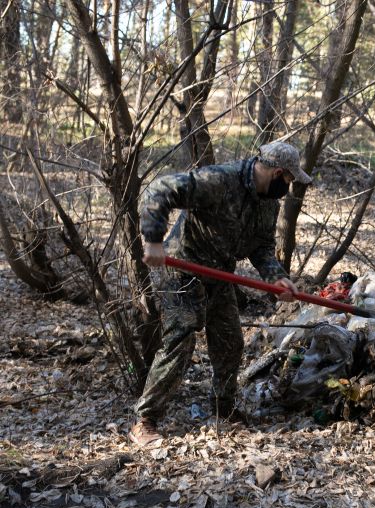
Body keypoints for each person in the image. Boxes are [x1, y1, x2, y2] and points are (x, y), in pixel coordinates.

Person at [128, 141, 311, 447]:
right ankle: (145, 421)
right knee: (180, 341)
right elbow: (161, 188)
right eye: (290, 180)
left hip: (219, 272)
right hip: (183, 269)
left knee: (230, 342)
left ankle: (224, 410)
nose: (289, 187)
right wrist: (153, 239)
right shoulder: (219, 180)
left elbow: (261, 246)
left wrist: (277, 277)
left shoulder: (268, 202)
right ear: (279, 173)